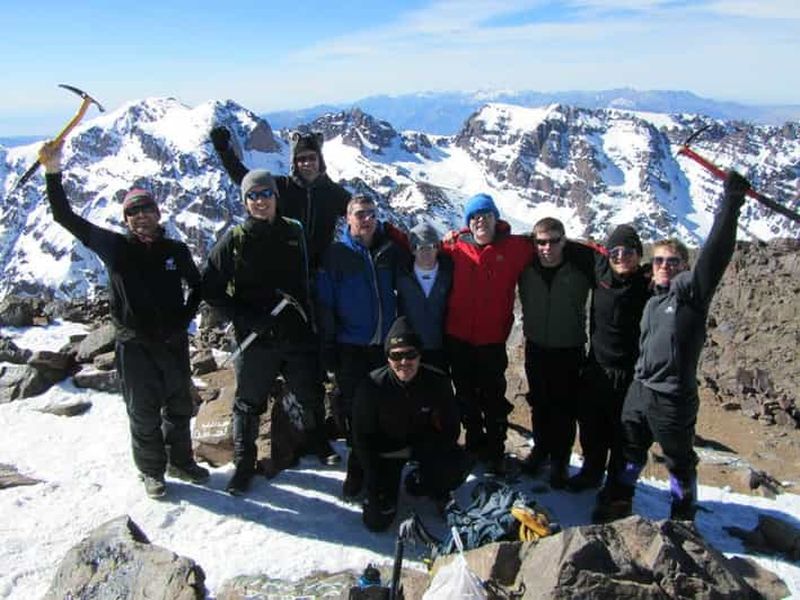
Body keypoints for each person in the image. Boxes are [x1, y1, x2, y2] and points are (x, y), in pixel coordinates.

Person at [38, 139, 208, 499]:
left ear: (158, 213)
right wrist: (53, 172)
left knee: (179, 407)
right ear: (126, 219)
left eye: (146, 208)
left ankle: (181, 461)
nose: (141, 215)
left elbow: (197, 286)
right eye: (133, 211)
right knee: (143, 412)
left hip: (173, 342)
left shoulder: (175, 251)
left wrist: (184, 319)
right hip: (135, 347)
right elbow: (64, 217)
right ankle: (152, 472)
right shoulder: (115, 247)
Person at [593, 171, 751, 523]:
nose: (664, 266)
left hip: (672, 397)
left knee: (678, 461)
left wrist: (731, 204)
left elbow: (715, 255)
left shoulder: (691, 297)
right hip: (640, 389)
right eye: (659, 261)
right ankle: (619, 499)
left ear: (685, 267)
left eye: (673, 262)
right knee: (629, 450)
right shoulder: (653, 297)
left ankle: (682, 514)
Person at [202, 169, 339, 496]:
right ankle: (243, 463)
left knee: (308, 392)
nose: (260, 201)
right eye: (253, 195)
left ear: (276, 197)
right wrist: (247, 317)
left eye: (266, 194)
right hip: (255, 339)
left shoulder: (295, 231)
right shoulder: (235, 240)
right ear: (245, 201)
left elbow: (305, 278)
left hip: (295, 332)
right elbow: (210, 288)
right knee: (248, 403)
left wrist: (312, 323)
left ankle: (317, 441)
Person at [316, 195, 407, 497]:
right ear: (348, 218)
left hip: (385, 347)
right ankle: (357, 464)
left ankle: (381, 465)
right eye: (359, 214)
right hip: (350, 347)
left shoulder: (389, 251)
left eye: (371, 213)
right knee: (356, 410)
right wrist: (329, 345)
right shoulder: (337, 254)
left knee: (385, 409)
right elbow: (325, 303)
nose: (366, 219)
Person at [441, 194, 535, 475]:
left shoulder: (516, 247)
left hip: (491, 339)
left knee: (493, 398)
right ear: (468, 222)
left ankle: (495, 450)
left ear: (496, 218)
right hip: (457, 337)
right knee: (465, 394)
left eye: (485, 214)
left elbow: (550, 244)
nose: (480, 220)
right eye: (474, 216)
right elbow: (423, 248)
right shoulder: (455, 246)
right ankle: (473, 443)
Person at [518, 217, 607, 488]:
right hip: (535, 345)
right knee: (539, 401)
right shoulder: (526, 267)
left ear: (564, 241)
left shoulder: (580, 267)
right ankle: (541, 449)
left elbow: (609, 261)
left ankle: (560, 460)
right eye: (541, 242)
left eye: (553, 241)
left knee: (564, 407)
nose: (547, 248)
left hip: (569, 347)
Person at [352, 317, 464, 532]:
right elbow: (361, 438)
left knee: (456, 464)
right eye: (396, 355)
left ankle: (424, 483)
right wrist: (373, 477)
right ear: (388, 358)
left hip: (423, 446)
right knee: (376, 521)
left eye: (410, 354)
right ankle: (371, 485)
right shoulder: (372, 386)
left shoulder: (437, 382)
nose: (404, 361)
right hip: (386, 453)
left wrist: (429, 458)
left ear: (420, 354)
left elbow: (451, 429)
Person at [568, 225, 650, 492]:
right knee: (591, 426)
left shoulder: (647, 283)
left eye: (628, 252)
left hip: (630, 374)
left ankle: (616, 488)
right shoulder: (600, 268)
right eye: (615, 252)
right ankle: (591, 472)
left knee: (623, 434)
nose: (621, 257)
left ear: (638, 254)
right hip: (597, 367)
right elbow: (561, 244)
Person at [210, 126, 350, 269]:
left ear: (320, 160)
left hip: (322, 272)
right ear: (295, 163)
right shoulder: (282, 187)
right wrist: (224, 151)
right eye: (301, 159)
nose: (307, 163)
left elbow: (357, 213)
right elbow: (245, 179)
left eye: (312, 157)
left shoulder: (334, 193)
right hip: (284, 268)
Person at [395, 223, 453, 370]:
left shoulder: (449, 274)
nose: (426, 252)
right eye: (420, 247)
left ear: (437, 248)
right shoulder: (401, 275)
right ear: (413, 250)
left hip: (441, 350)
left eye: (431, 246)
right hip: (409, 350)